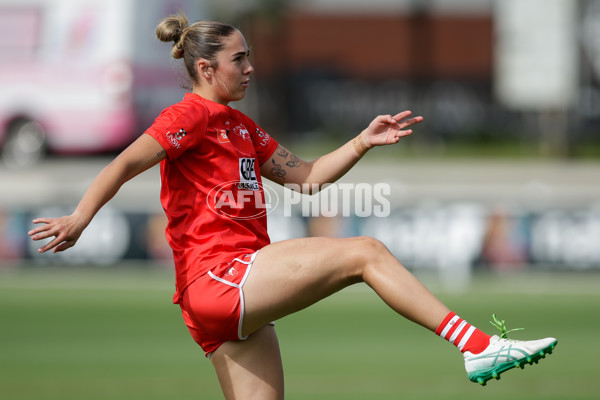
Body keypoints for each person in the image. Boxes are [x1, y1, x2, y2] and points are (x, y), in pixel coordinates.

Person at [28, 14, 557, 399]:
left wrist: (361, 142)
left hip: (225, 297)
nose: (251, 68)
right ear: (208, 69)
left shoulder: (242, 127)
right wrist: (80, 216)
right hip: (221, 278)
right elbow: (122, 164)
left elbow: (307, 179)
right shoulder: (187, 116)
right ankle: (476, 345)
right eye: (240, 59)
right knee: (366, 252)